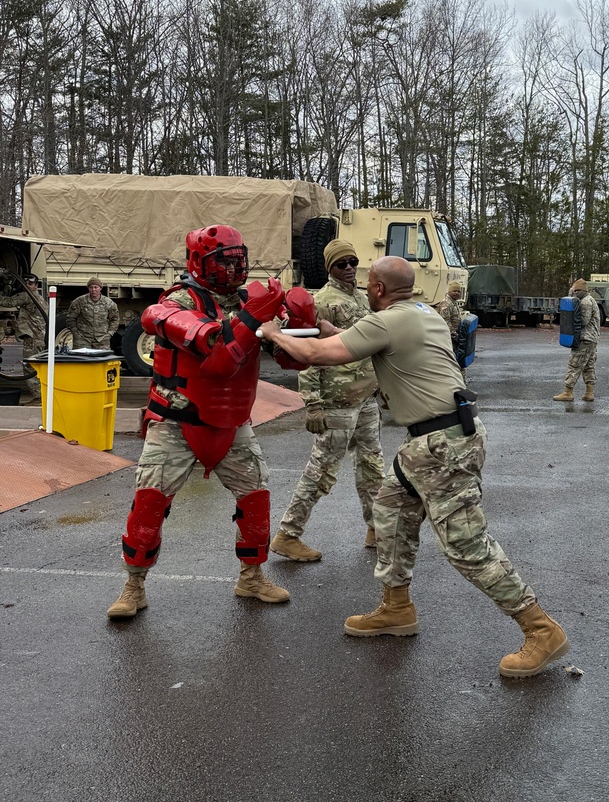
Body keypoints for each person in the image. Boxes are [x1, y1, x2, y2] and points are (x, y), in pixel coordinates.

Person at [262, 257, 569, 678]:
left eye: (369, 284)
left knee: (466, 546)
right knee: (389, 508)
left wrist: (274, 332)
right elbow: (366, 345)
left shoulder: (386, 321)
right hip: (440, 439)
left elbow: (319, 354)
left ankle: (541, 629)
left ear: (376, 289)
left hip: (440, 445)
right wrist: (335, 332)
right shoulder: (424, 315)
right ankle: (396, 607)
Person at [108, 226, 291, 619]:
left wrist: (293, 324)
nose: (233, 268)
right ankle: (133, 586)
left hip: (233, 423)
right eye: (224, 261)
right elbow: (211, 350)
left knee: (256, 498)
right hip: (176, 420)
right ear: (199, 262)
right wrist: (251, 316)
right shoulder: (180, 298)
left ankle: (252, 576)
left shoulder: (249, 301)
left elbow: (291, 357)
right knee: (150, 503)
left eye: (237, 259)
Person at [270, 239, 385, 562]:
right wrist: (313, 403)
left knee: (372, 466)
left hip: (364, 398)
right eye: (341, 264)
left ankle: (377, 527)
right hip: (337, 401)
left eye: (352, 262)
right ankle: (288, 534)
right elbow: (307, 355)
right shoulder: (320, 303)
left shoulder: (363, 299)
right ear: (329, 268)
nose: (348, 269)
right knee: (321, 471)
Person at [553, 278, 599, 403]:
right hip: (592, 338)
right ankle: (589, 393)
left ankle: (568, 392)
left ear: (583, 290)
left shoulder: (585, 302)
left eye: (577, 291)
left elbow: (583, 321)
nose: (575, 293)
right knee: (589, 366)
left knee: (574, 364)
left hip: (584, 338)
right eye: (575, 290)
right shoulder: (590, 299)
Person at [13, 274, 46, 400]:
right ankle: (43, 395)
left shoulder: (27, 296)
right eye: (25, 284)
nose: (27, 286)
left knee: (29, 367)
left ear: (36, 286)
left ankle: (39, 397)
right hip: (40, 338)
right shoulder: (40, 298)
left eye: (30, 284)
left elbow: (7, 301)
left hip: (32, 339)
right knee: (38, 366)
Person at [65, 277, 119, 350]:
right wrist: (75, 332)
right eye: (91, 287)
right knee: (82, 359)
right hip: (82, 338)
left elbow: (115, 319)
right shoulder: (79, 302)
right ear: (88, 288)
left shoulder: (109, 303)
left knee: (101, 360)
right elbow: (70, 318)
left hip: (102, 339)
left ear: (100, 288)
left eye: (96, 287)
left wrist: (109, 333)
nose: (93, 290)